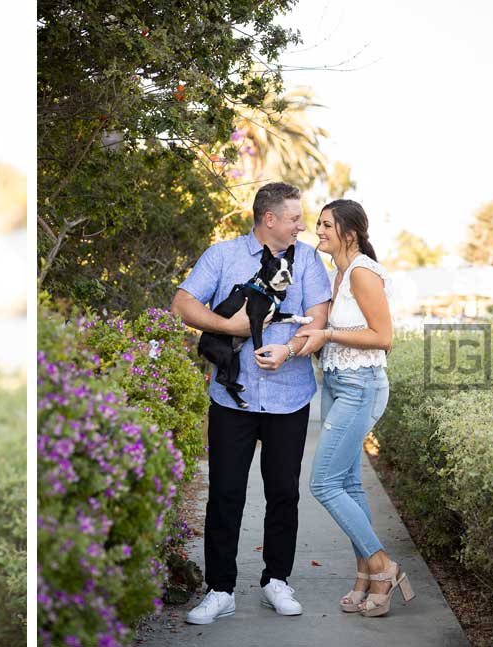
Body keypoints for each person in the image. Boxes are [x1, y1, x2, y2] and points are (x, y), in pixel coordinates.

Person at [171, 182, 331, 624]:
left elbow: (319, 316)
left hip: (290, 397)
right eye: (295, 218)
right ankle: (220, 589)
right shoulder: (222, 256)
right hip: (231, 399)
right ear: (269, 219)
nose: (302, 225)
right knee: (224, 495)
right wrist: (230, 326)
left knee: (283, 493)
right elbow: (182, 303)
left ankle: (276, 581)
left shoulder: (309, 261)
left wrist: (290, 349)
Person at [293, 199, 413, 617]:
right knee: (348, 483)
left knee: (324, 483)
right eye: (319, 224)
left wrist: (328, 334)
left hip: (361, 385)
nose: (318, 231)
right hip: (338, 383)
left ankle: (383, 567)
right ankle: (364, 577)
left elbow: (383, 337)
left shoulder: (362, 272)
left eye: (326, 225)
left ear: (350, 231)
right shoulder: (338, 273)